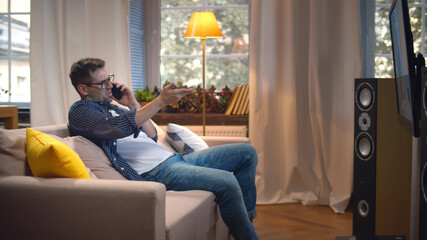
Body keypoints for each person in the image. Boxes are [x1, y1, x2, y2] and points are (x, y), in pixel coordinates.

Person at [67, 57, 259, 240]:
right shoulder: (81, 111)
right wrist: (160, 101)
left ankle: (245, 219)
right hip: (156, 172)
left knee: (246, 153)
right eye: (102, 83)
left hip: (173, 160)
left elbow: (151, 135)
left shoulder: (114, 108)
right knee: (226, 180)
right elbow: (119, 126)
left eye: (109, 79)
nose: (109, 85)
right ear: (83, 88)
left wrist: (133, 103)